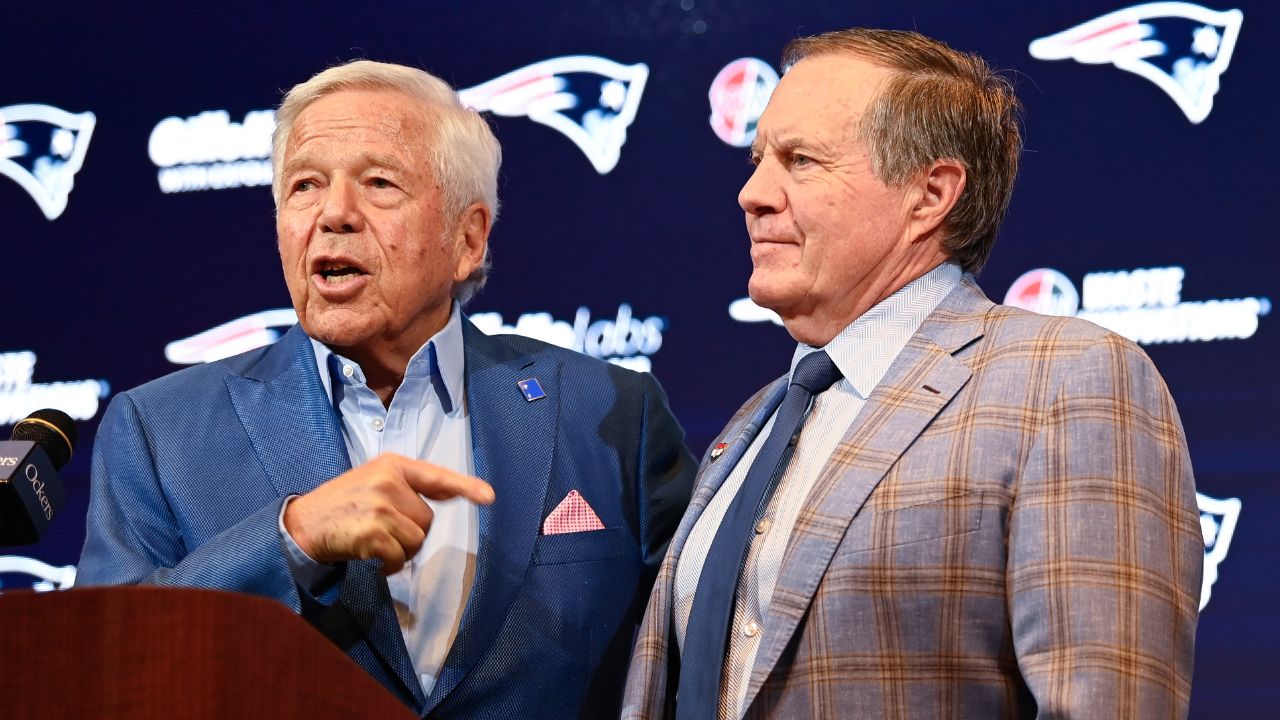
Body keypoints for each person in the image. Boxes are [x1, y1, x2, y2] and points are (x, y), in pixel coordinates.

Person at [79, 60, 696, 719]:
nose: (333, 214)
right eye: (304, 185)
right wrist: (292, 539)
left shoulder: (608, 414)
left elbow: (711, 651)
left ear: (468, 238)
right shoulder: (158, 430)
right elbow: (101, 674)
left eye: (378, 183)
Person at [622, 28, 1201, 719]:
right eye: (757, 159)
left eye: (799, 160)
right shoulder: (756, 422)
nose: (752, 193)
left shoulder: (1067, 382)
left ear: (929, 195)